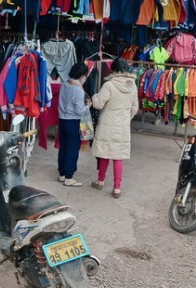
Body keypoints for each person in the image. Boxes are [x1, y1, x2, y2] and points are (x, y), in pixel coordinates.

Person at [90, 59, 139, 198]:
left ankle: (100, 181)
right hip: (122, 125)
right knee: (118, 156)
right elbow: (135, 108)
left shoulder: (109, 85)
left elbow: (98, 104)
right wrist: (125, 118)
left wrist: (94, 96)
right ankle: (117, 188)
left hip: (107, 123)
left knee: (105, 152)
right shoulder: (133, 86)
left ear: (113, 70)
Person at [57, 62, 90, 187]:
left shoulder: (64, 84)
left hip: (62, 120)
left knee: (63, 148)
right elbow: (79, 110)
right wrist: (87, 106)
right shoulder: (78, 90)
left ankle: (62, 174)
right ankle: (69, 177)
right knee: (72, 149)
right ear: (82, 75)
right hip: (73, 121)